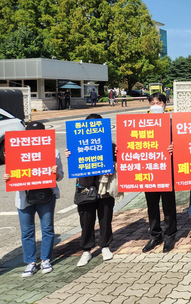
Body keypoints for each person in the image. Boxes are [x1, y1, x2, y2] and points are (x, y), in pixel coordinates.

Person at [3, 122, 64, 278]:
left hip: (46, 196)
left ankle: (45, 260)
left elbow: (60, 176)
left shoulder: (53, 151)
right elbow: (13, 173)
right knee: (27, 231)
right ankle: (30, 263)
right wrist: (8, 178)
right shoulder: (16, 151)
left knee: (47, 229)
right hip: (24, 197)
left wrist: (54, 173)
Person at [65, 113, 123, 267]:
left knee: (105, 218)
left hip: (104, 187)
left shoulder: (111, 145)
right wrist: (69, 155)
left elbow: (118, 162)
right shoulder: (76, 143)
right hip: (85, 187)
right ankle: (86, 250)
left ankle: (105, 246)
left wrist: (113, 165)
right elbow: (74, 163)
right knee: (86, 220)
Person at [142, 93, 177, 253]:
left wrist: (174, 147)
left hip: (166, 170)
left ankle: (170, 235)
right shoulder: (141, 124)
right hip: (149, 170)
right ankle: (155, 235)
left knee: (168, 205)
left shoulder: (172, 124)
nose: (155, 105)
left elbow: (181, 143)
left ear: (165, 104)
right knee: (152, 205)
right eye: (152, 103)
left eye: (159, 102)